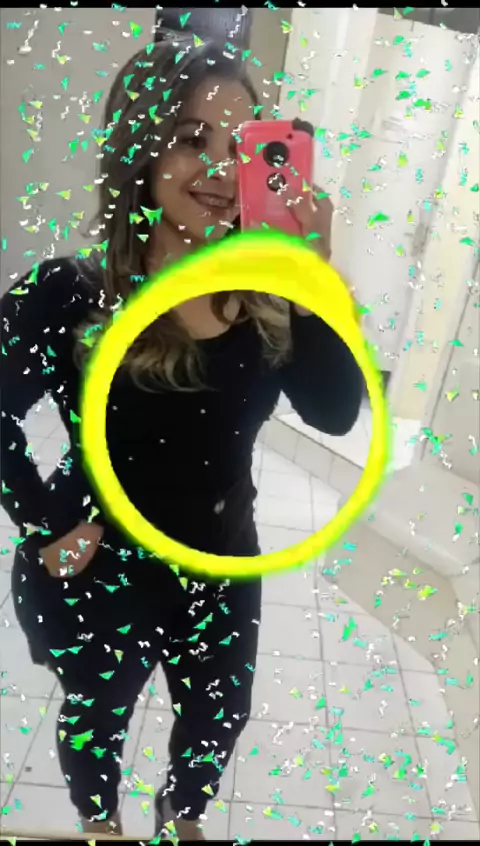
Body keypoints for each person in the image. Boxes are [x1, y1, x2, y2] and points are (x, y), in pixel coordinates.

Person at [0, 36, 363, 840]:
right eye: (193, 138)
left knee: (218, 717)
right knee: (95, 716)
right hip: (101, 560)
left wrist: (311, 277)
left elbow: (337, 414)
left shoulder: (265, 299)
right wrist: (44, 523)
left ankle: (182, 813)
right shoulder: (67, 293)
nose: (220, 169)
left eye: (241, 146)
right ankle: (100, 823)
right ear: (139, 148)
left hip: (222, 556)